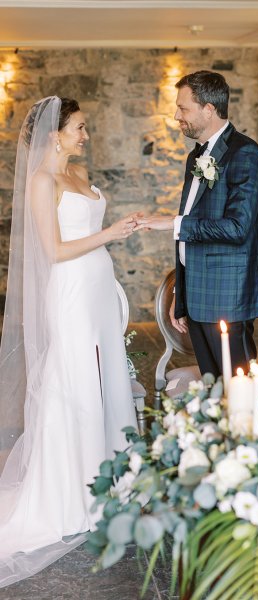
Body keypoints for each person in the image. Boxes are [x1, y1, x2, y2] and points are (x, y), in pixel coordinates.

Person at [0, 96, 138, 587]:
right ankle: (75, 495)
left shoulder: (79, 175)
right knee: (75, 386)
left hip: (100, 292)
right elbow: (55, 250)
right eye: (79, 128)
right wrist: (113, 232)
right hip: (73, 295)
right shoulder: (42, 182)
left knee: (107, 385)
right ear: (53, 133)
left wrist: (117, 244)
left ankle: (113, 481)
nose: (85, 135)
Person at [136, 70, 258, 377]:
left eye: (183, 108)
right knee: (212, 388)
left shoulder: (244, 153)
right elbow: (193, 239)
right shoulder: (195, 157)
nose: (176, 115)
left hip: (227, 295)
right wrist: (181, 298)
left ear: (209, 109)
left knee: (237, 388)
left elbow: (238, 228)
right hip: (198, 296)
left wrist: (173, 223)